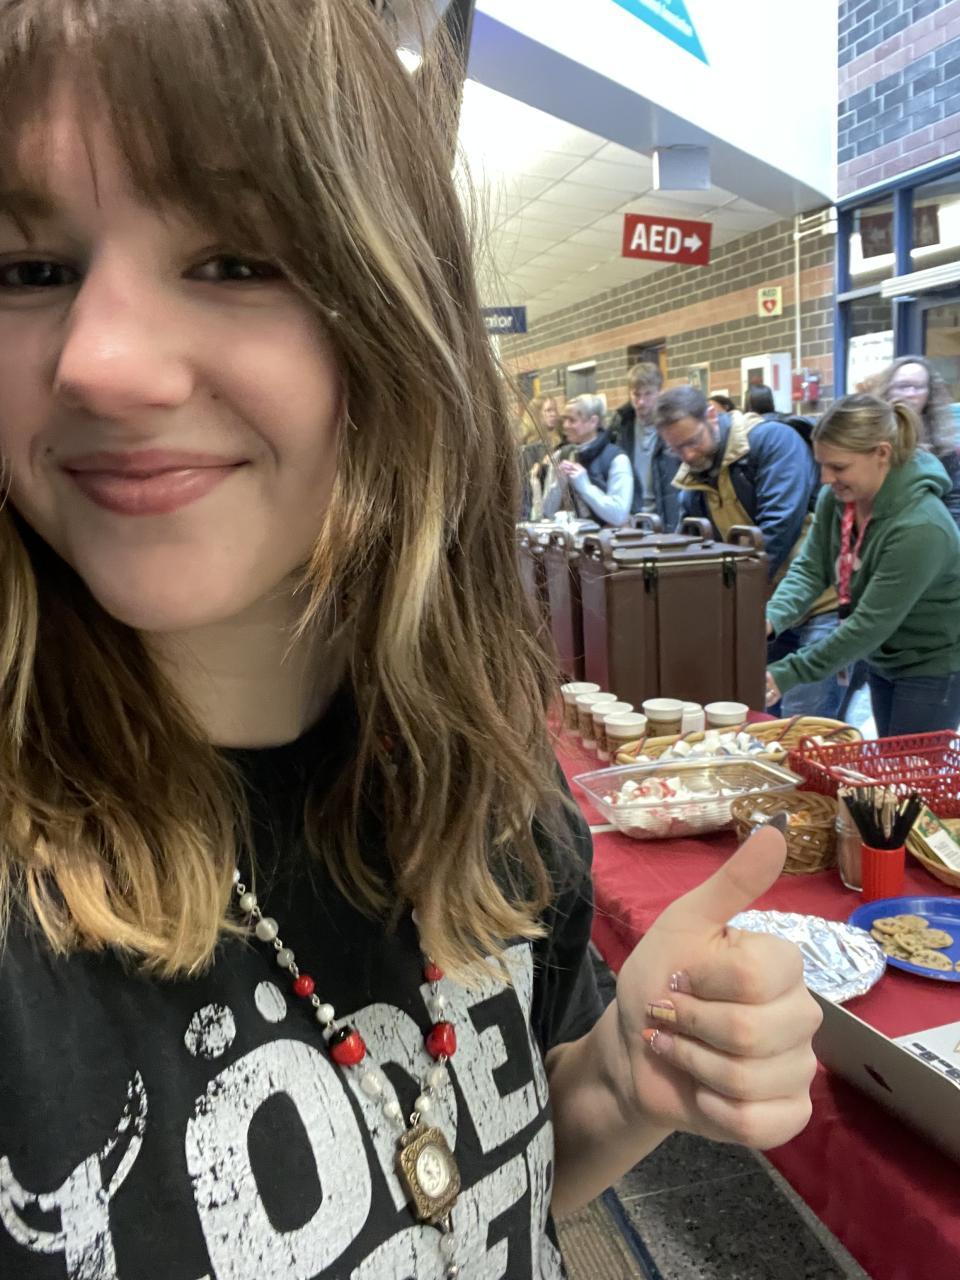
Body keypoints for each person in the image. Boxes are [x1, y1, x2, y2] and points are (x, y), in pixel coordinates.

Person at [0, 3, 820, 1277]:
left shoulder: (477, 763)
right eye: (27, 270)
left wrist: (621, 1077)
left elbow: (483, 1186)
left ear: (399, 322)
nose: (101, 363)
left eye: (234, 258)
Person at [766, 395, 960, 737]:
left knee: (912, 765)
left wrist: (786, 674)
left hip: (934, 663)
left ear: (881, 454)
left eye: (839, 467)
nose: (825, 478)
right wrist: (770, 618)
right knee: (889, 758)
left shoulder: (921, 526)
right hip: (884, 656)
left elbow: (868, 626)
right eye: (821, 465)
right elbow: (811, 568)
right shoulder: (839, 499)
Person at [657, 385, 841, 717]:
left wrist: (734, 597)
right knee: (761, 712)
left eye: (692, 441)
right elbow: (691, 547)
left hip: (817, 603)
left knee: (803, 718)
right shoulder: (694, 478)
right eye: (676, 449)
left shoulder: (772, 441)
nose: (687, 455)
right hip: (765, 610)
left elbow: (778, 527)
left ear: (712, 416)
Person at [877, 355, 960, 530]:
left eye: (918, 387)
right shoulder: (870, 437)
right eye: (903, 386)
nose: (910, 394)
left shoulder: (942, 446)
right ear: (888, 390)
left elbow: (954, 502)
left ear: (929, 394)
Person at [543, 394, 634, 526]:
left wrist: (585, 486)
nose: (565, 425)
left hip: (606, 537)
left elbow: (619, 516)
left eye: (572, 420)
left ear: (593, 421)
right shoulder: (559, 456)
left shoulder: (617, 459)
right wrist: (558, 485)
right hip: (569, 537)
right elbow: (546, 513)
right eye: (564, 419)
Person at [608, 362, 680, 528]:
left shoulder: (673, 425)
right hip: (631, 517)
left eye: (648, 394)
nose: (641, 402)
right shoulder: (620, 425)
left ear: (660, 392)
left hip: (667, 516)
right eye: (636, 394)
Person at [518, 394, 564, 520]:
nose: (554, 414)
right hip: (535, 507)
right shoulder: (526, 448)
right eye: (548, 410)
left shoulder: (562, 440)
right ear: (536, 415)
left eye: (555, 410)